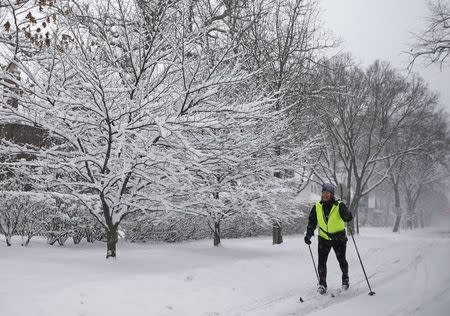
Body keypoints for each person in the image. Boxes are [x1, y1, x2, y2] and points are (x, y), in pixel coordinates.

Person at [304, 183, 353, 295]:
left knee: (341, 260)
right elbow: (312, 222)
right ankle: (322, 284)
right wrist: (308, 235)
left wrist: (346, 214)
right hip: (324, 238)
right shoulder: (317, 206)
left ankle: (345, 280)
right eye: (323, 193)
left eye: (327, 193)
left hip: (339, 238)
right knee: (322, 262)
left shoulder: (339, 205)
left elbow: (349, 217)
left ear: (331, 194)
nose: (325, 195)